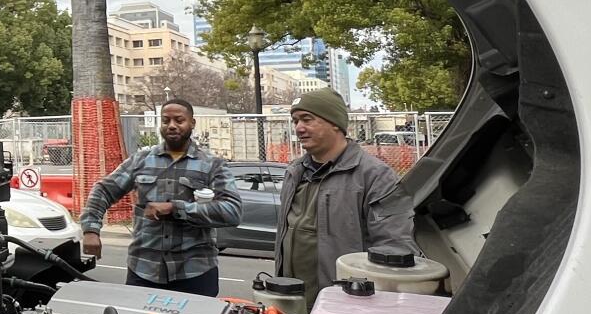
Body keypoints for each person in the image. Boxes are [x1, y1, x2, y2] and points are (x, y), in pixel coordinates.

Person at [78, 100, 240, 294]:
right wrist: (90, 230)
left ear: (192, 123)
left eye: (179, 120)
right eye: (166, 120)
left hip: (195, 273)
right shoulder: (141, 160)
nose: (172, 125)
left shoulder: (213, 165)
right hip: (144, 270)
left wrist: (176, 209)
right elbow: (103, 190)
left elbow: (232, 211)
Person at [275, 88, 417, 303]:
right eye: (295, 121)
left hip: (344, 304)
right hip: (290, 302)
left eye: (307, 119)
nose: (299, 128)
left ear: (335, 123)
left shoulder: (376, 175)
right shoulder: (294, 171)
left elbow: (395, 247)